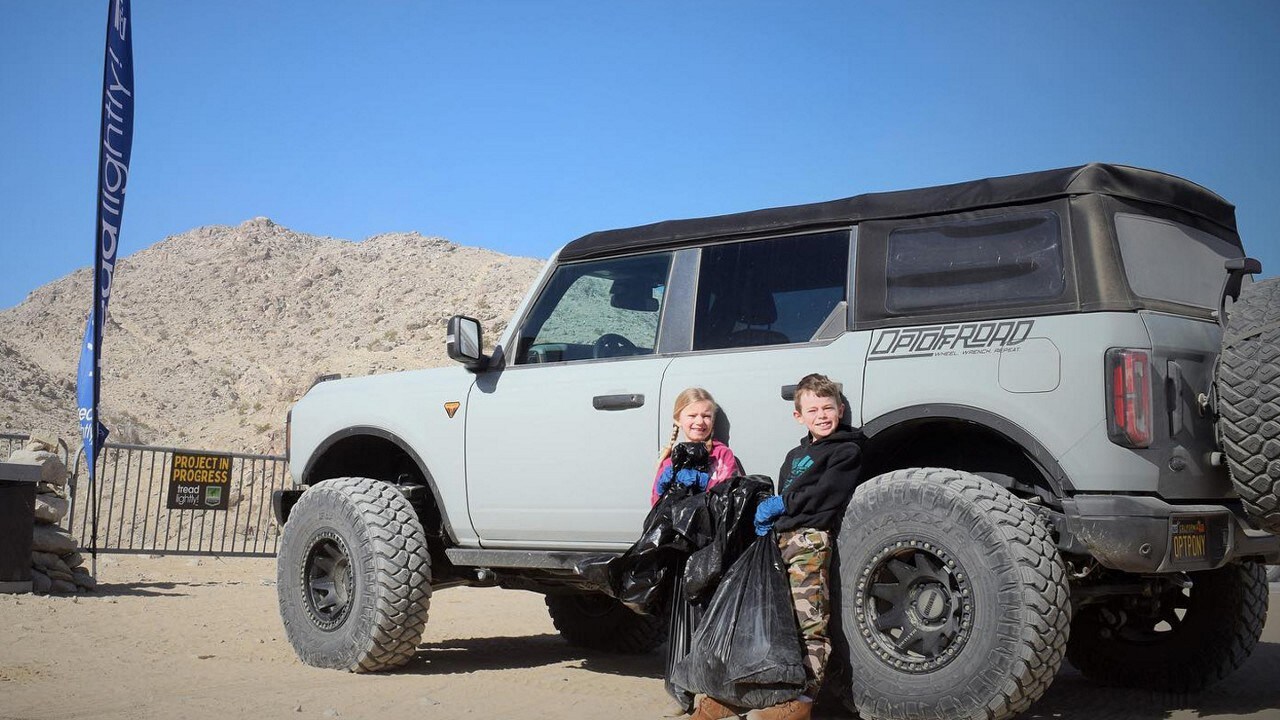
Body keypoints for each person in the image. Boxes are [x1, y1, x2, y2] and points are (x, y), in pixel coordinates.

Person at [693, 373, 863, 720]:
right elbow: (789, 493)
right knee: (771, 621)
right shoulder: (795, 454)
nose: (822, 415)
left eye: (828, 408)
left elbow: (823, 496)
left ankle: (800, 702)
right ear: (798, 416)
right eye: (812, 409)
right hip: (779, 542)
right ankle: (747, 694)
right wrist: (767, 514)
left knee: (809, 622)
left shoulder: (847, 450)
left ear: (841, 409)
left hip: (810, 541)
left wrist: (784, 504)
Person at [651, 387, 741, 506]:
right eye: (692, 416)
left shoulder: (721, 455)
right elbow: (655, 505)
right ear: (678, 419)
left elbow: (727, 497)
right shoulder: (670, 461)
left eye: (706, 416)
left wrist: (705, 484)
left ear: (713, 421)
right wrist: (663, 491)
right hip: (678, 524)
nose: (699, 421)